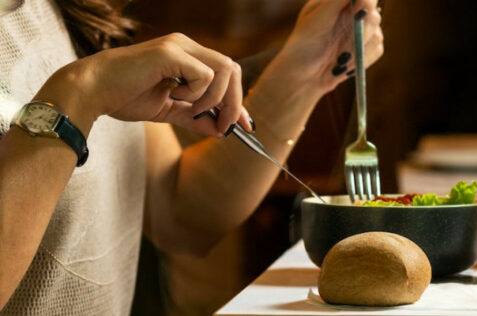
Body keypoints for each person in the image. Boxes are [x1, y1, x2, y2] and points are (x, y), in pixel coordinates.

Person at [0, 0, 384, 314]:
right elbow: (83, 92)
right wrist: (78, 95)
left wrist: (305, 70)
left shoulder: (65, 9)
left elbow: (178, 208)